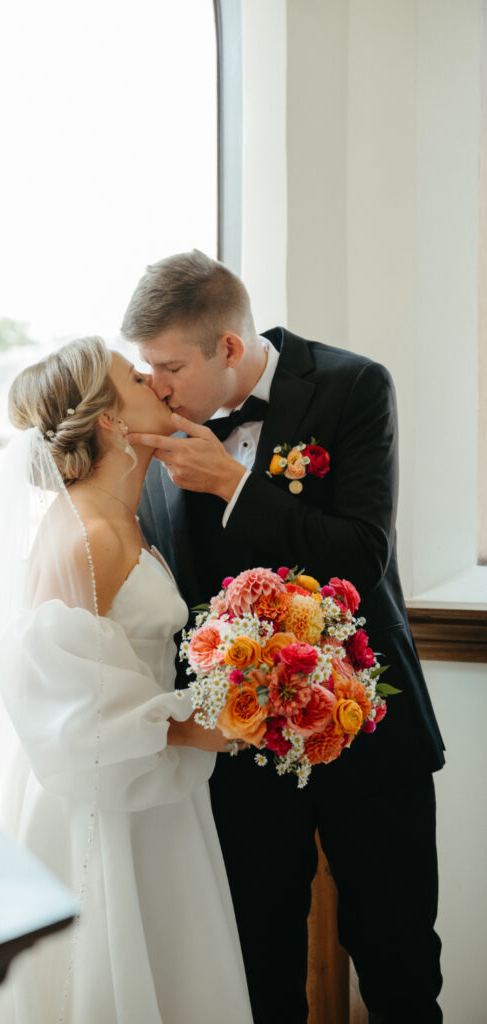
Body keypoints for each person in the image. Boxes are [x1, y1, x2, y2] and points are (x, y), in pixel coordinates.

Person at [121, 250, 445, 1024]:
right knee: (254, 969)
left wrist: (235, 486)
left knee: (399, 962)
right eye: (145, 367)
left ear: (227, 348)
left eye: (167, 366)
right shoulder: (154, 424)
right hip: (233, 751)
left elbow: (362, 556)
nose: (154, 386)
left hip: (365, 725)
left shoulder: (350, 386)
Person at [0, 336, 253, 1024]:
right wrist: (220, 724)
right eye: (136, 379)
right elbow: (71, 699)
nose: (158, 385)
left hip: (149, 787)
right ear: (110, 420)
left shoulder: (116, 519)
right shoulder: (88, 537)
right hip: (108, 799)